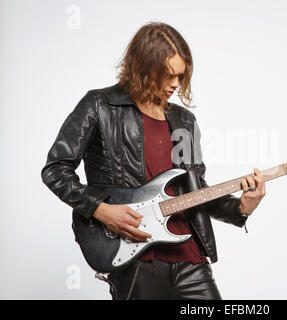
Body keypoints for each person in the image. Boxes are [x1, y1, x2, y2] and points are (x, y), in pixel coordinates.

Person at [41, 21, 266, 300]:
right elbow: (56, 170)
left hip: (190, 258)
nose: (175, 84)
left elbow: (195, 191)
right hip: (135, 259)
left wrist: (241, 207)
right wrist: (100, 209)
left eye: (181, 76)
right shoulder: (99, 106)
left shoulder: (183, 121)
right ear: (144, 66)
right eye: (168, 75)